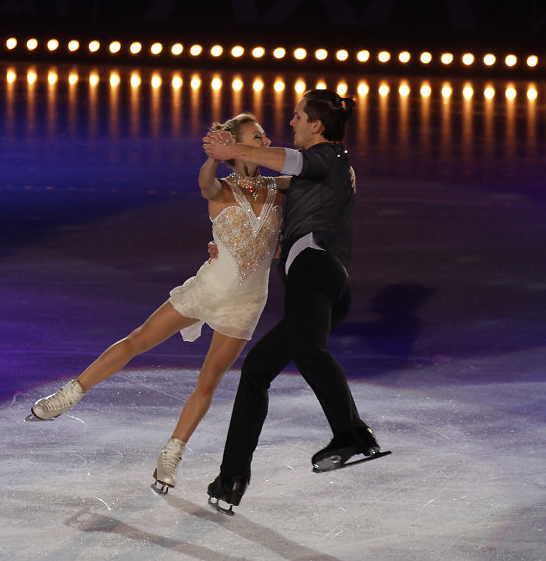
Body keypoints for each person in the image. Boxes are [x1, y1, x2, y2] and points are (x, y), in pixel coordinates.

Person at [27, 113, 288, 494]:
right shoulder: (220, 188)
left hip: (247, 303)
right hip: (207, 289)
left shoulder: (281, 188)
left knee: (209, 380)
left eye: (265, 136)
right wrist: (215, 154)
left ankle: (172, 454)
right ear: (235, 145)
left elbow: (312, 184)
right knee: (138, 340)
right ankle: (69, 395)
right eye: (257, 136)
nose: (266, 142)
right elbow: (204, 183)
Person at [202, 89, 382, 513]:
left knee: (309, 350)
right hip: (323, 284)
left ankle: (352, 433)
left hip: (315, 273)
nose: (292, 123)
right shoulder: (319, 171)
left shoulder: (329, 158)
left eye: (298, 117)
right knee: (257, 371)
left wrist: (234, 146)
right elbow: (259, 192)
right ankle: (230, 479)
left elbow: (287, 160)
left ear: (317, 126)